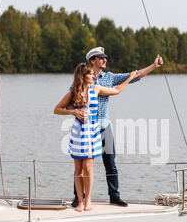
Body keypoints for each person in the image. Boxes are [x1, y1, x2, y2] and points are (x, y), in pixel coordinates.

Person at [71, 47, 163, 208]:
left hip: (104, 126)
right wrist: (75, 112)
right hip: (85, 129)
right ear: (93, 60)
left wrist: (153, 66)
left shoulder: (109, 78)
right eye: (101, 58)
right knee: (82, 164)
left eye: (105, 57)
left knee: (110, 162)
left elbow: (134, 76)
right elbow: (72, 98)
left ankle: (114, 196)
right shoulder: (83, 77)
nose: (105, 60)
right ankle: (78, 198)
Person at [54, 63, 138, 212]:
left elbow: (116, 90)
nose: (94, 76)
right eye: (91, 74)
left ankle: (88, 200)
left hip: (93, 132)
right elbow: (57, 109)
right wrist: (72, 113)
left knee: (88, 167)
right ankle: (80, 201)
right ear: (83, 76)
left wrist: (129, 78)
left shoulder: (96, 89)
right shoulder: (72, 93)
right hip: (78, 133)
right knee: (78, 170)